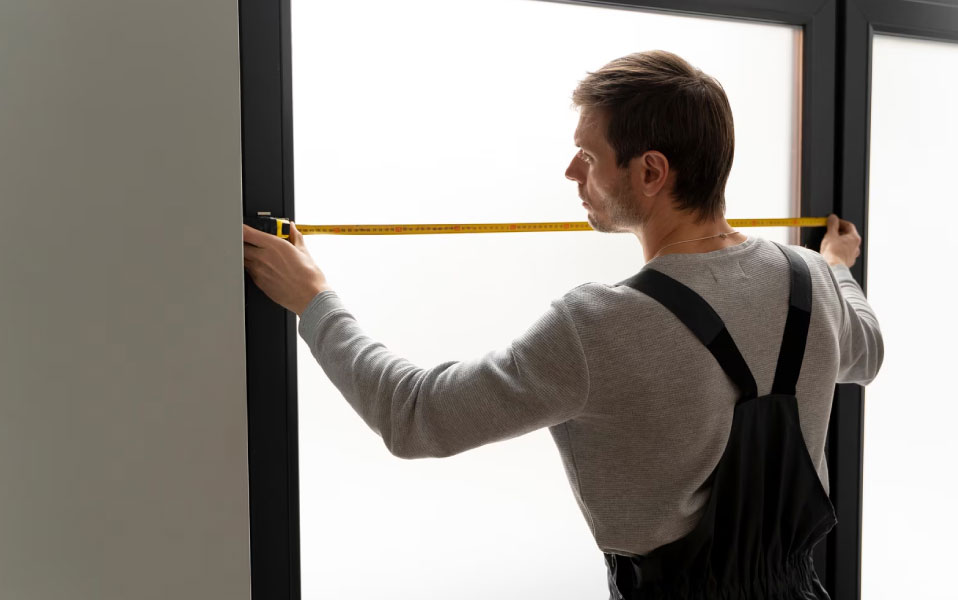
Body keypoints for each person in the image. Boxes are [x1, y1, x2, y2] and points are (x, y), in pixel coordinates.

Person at [242, 49, 883, 599]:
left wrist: (314, 300)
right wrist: (837, 268)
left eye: (587, 154)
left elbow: (416, 417)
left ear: (651, 172)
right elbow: (869, 353)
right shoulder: (813, 280)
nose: (572, 173)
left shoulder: (598, 326)